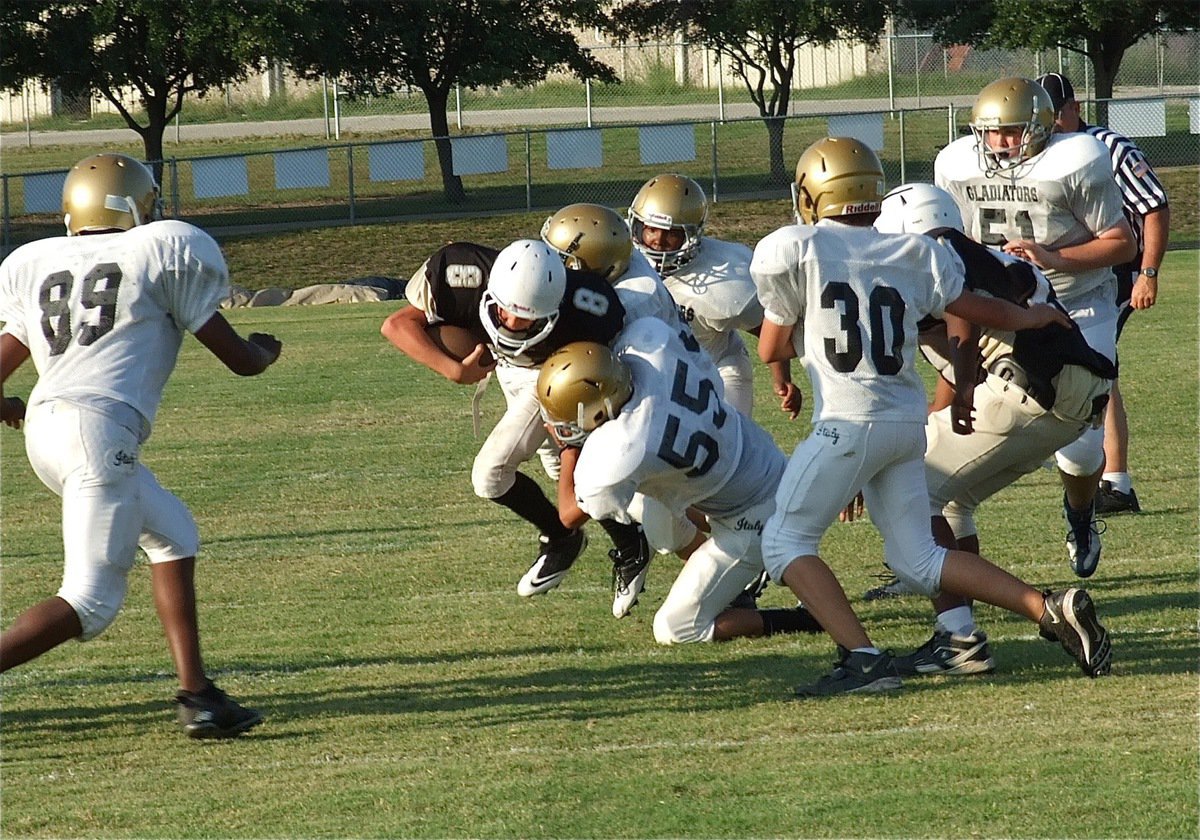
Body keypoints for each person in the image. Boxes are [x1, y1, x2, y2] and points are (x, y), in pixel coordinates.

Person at [750, 137, 1112, 696]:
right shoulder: (917, 252)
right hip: (904, 423)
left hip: (848, 419)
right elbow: (971, 309)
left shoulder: (795, 247)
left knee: (785, 541)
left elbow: (771, 347)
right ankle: (1048, 609)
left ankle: (863, 658)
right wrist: (1032, 317)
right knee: (918, 557)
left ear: (813, 195)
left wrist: (794, 345)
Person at [0, 153, 282, 738]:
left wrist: (7, 407)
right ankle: (198, 697)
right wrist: (264, 351)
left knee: (174, 534)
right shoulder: (159, 251)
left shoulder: (39, 262)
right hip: (97, 432)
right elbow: (240, 361)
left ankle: (199, 695)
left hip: (50, 432)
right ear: (135, 203)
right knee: (90, 602)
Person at [873, 183, 1118, 675]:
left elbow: (961, 316)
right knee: (953, 499)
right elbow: (955, 353)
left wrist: (964, 390)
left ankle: (960, 636)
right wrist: (952, 397)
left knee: (908, 490)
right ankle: (961, 619)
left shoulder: (935, 253)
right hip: (1070, 396)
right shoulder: (974, 252)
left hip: (1026, 389)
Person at [380, 239, 652, 617]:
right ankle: (621, 541)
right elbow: (397, 324)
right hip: (506, 370)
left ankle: (573, 538)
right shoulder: (465, 272)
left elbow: (614, 362)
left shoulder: (589, 305)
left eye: (527, 319)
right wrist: (455, 370)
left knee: (491, 476)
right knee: (561, 472)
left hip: (554, 373)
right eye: (506, 311)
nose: (511, 323)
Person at [935, 76, 1137, 578]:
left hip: (1077, 305)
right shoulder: (956, 163)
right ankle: (939, 535)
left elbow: (1122, 243)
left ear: (1041, 126)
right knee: (949, 409)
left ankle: (1081, 514)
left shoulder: (1077, 159)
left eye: (1010, 131)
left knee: (1083, 446)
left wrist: (1055, 257)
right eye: (990, 131)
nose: (999, 143)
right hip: (995, 307)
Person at [535, 320, 823, 644]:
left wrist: (569, 448)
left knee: (674, 628)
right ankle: (735, 586)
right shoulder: (649, 343)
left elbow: (569, 514)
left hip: (752, 513)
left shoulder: (620, 450)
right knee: (654, 515)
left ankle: (805, 618)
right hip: (757, 454)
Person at [1035, 72, 1171, 515]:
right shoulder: (1041, 151)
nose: (1048, 124)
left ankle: (1113, 479)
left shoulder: (1107, 148)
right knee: (1092, 372)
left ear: (1074, 107)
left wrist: (1148, 272)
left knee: (1098, 370)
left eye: (1055, 113)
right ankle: (1104, 474)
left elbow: (1153, 206)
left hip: (1111, 274)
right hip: (1063, 277)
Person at [627, 174, 801, 419]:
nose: (658, 240)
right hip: (651, 372)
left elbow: (768, 327)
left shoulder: (725, 276)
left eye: (671, 233)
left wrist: (781, 379)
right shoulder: (623, 263)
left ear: (691, 234)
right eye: (651, 229)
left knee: (728, 443)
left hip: (718, 366)